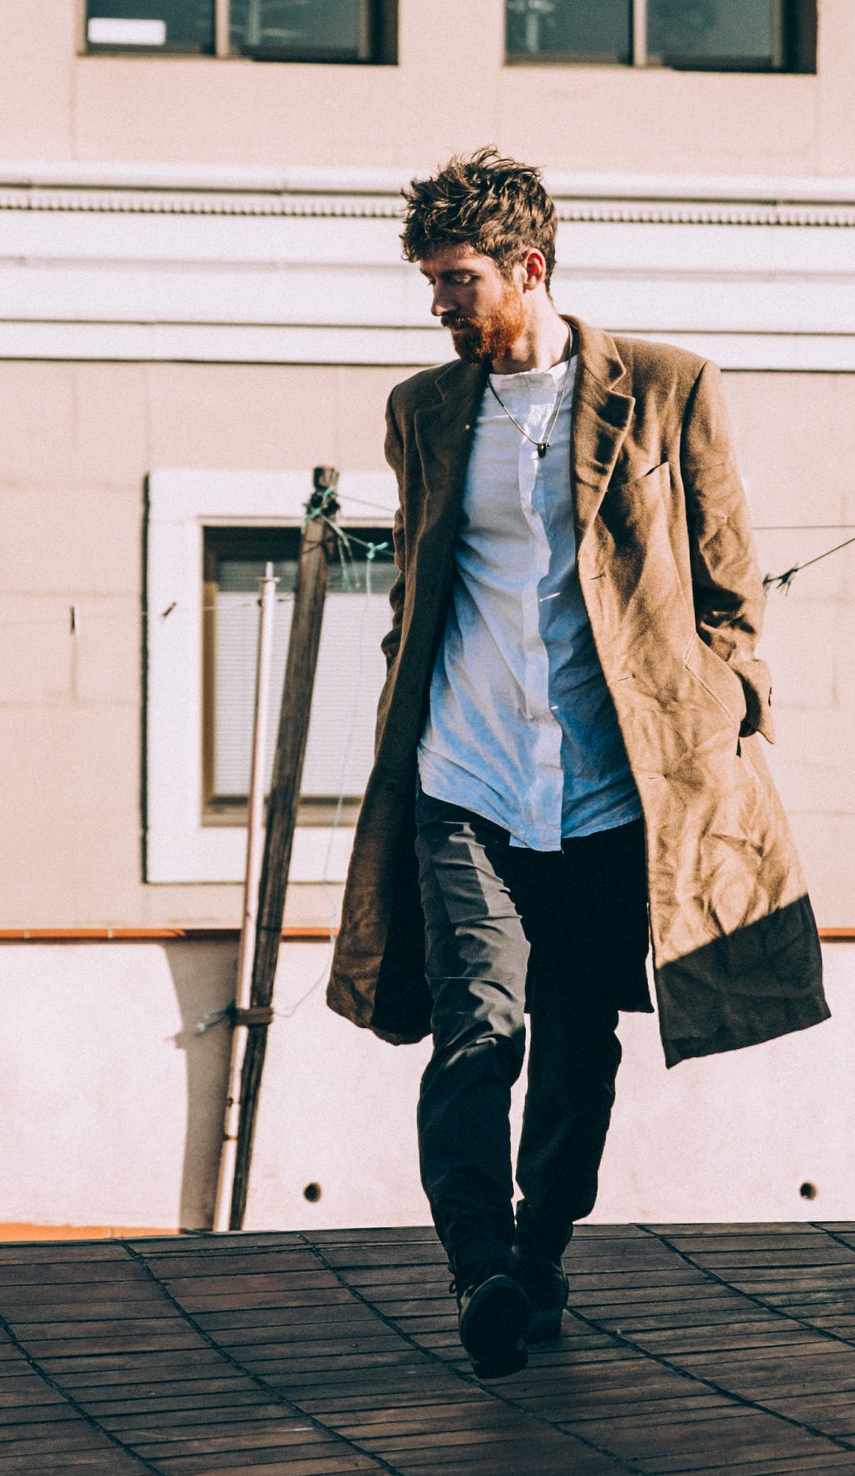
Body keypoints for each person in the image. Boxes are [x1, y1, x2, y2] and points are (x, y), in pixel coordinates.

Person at [327, 147, 828, 1377]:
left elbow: (728, 585)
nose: (437, 304)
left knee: (575, 1041)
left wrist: (724, 699)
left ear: (528, 268)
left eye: (456, 279)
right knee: (475, 1025)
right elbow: (417, 585)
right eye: (430, 281)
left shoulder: (667, 388)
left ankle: (538, 1252)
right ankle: (478, 1268)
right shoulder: (423, 411)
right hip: (465, 775)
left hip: (611, 786)